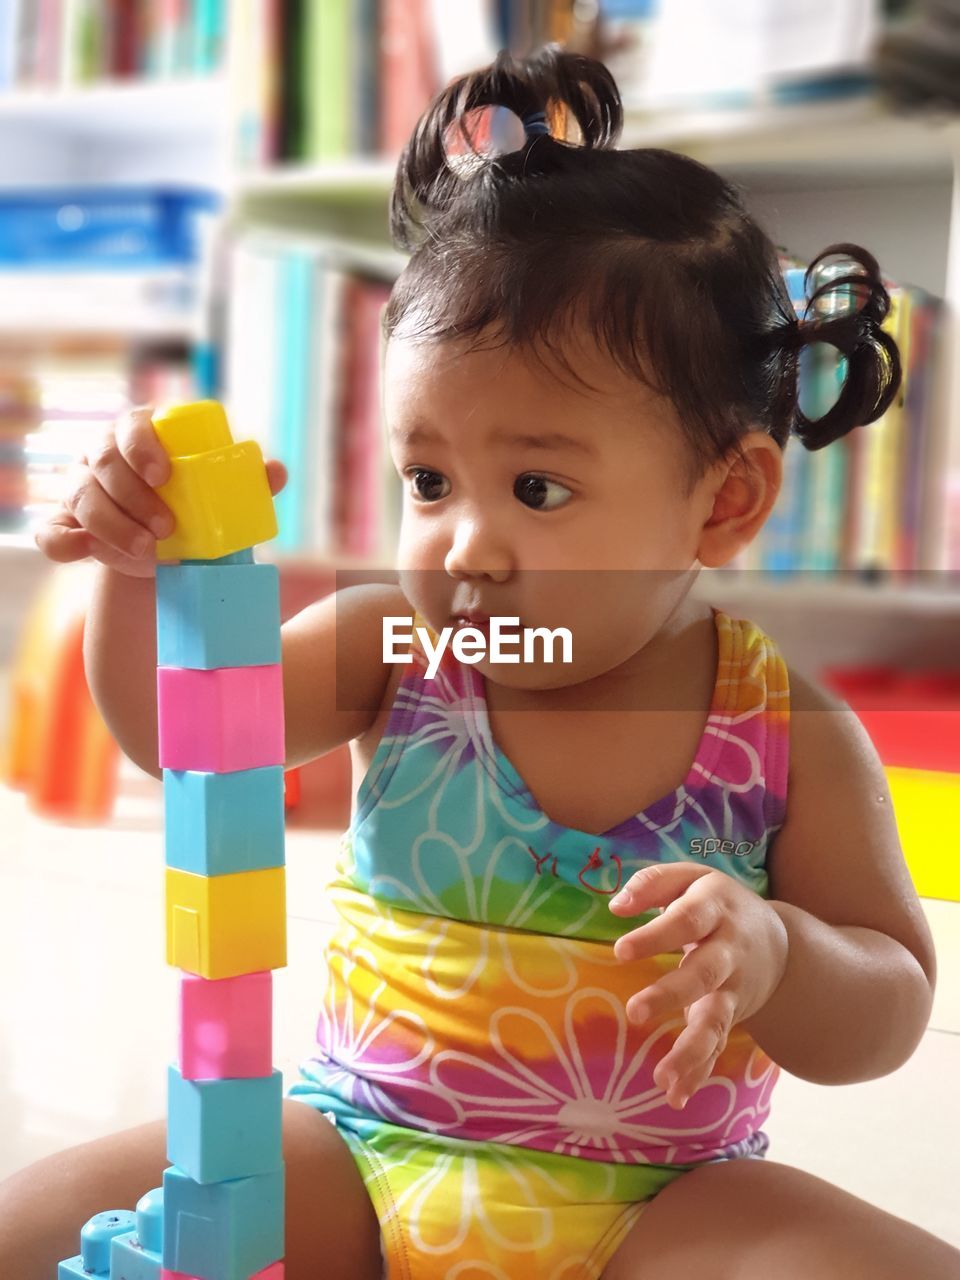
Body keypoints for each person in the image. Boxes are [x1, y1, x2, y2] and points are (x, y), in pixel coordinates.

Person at [3, 42, 959, 1280]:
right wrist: (135, 575)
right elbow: (180, 735)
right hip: (352, 1149)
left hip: (659, 1201)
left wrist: (777, 950)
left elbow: (886, 1002)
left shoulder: (787, 727)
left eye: (539, 485)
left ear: (726, 498)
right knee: (34, 1222)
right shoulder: (393, 651)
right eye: (428, 479)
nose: (466, 544)